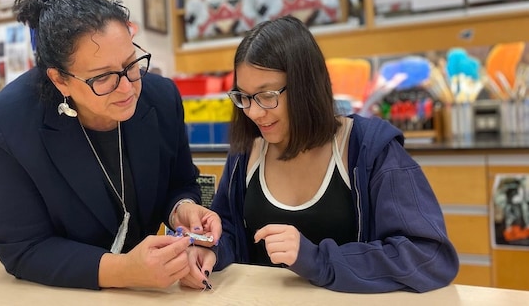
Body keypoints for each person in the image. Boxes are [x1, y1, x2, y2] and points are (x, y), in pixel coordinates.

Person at [0, 0, 220, 290]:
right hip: (37, 284)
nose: (129, 87)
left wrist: (181, 211)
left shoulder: (161, 98)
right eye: (104, 78)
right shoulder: (7, 123)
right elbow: (25, 247)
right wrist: (125, 271)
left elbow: (180, 182)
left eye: (131, 64)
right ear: (60, 80)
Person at [185, 16, 459, 293]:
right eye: (243, 97)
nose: (254, 112)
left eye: (267, 95)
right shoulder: (247, 152)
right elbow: (231, 231)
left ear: (306, 87)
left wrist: (317, 260)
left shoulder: (370, 149)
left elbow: (429, 257)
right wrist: (212, 249)